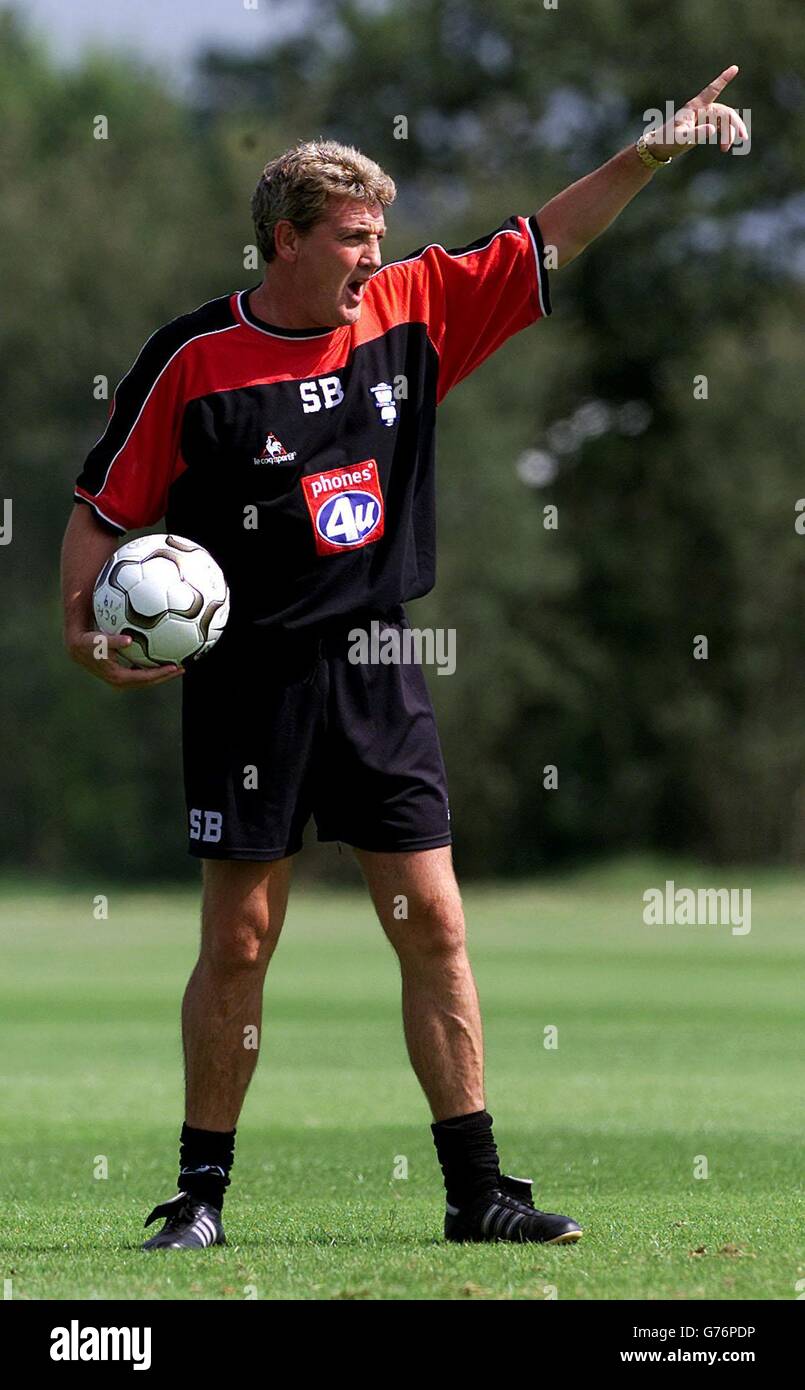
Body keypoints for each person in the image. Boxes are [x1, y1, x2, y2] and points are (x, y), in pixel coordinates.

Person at [61, 69, 747, 1250]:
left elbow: (548, 238)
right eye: (351, 238)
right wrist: (85, 630)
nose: (374, 256)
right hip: (248, 681)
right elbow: (101, 510)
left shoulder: (415, 308)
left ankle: (478, 1192)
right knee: (239, 939)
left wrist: (649, 153)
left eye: (381, 235)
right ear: (285, 241)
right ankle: (201, 1199)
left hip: (378, 662)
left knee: (430, 920)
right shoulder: (191, 360)